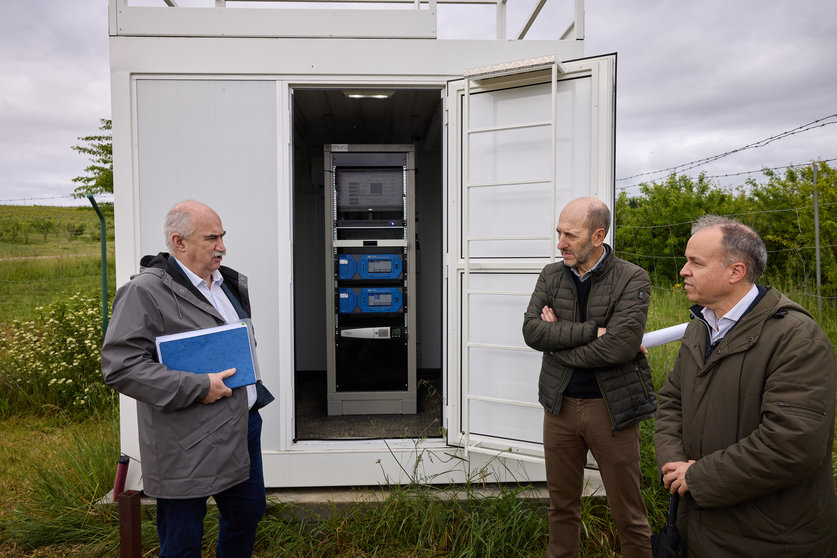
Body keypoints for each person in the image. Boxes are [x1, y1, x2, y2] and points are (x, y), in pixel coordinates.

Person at [655, 215, 837, 557]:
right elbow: (671, 402)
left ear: (735, 272)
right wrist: (674, 464)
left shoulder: (796, 337)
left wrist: (698, 478)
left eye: (695, 262)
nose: (683, 270)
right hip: (699, 526)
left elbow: (792, 444)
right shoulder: (701, 325)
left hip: (769, 537)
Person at [102, 200, 274, 558]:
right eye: (212, 238)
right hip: (185, 439)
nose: (222, 246)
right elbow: (121, 365)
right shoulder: (145, 292)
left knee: (246, 516)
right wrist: (198, 387)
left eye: (223, 236)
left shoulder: (226, 282)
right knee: (182, 541)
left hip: (242, 427)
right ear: (178, 242)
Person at [522, 197, 655, 558]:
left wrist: (559, 339)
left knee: (628, 513)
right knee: (561, 508)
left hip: (611, 411)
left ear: (598, 236)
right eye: (559, 233)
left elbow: (620, 348)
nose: (561, 242)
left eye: (570, 234)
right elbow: (533, 333)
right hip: (559, 408)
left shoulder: (632, 277)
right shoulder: (551, 274)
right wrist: (593, 331)